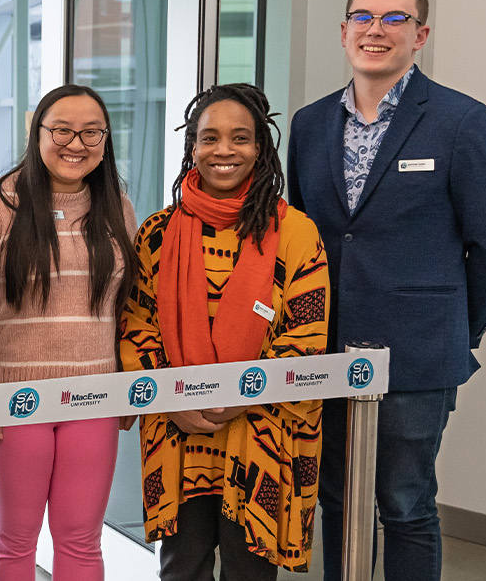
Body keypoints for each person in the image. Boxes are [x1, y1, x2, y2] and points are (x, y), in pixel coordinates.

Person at [285, 0, 486, 581]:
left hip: (417, 354)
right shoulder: (310, 125)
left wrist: (456, 327)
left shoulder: (462, 121)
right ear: (343, 32)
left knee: (406, 504)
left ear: (419, 35)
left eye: (394, 19)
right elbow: (302, 239)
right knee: (337, 500)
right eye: (363, 17)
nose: (375, 30)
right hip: (326, 350)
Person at [121, 83, 330, 580]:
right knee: (181, 568)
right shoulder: (156, 232)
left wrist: (234, 398)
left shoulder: (297, 232)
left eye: (240, 138)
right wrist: (172, 400)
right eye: (209, 138)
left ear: (260, 147)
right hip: (178, 434)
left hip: (262, 433)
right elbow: (136, 325)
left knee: (249, 570)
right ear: (192, 146)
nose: (224, 151)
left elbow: (305, 337)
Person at [0, 85, 137, 581]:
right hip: (15, 402)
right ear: (36, 133)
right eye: (61, 129)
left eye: (91, 132)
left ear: (105, 140)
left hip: (95, 399)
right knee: (15, 541)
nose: (76, 143)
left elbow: (124, 308)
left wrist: (128, 386)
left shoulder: (116, 207)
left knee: (82, 541)